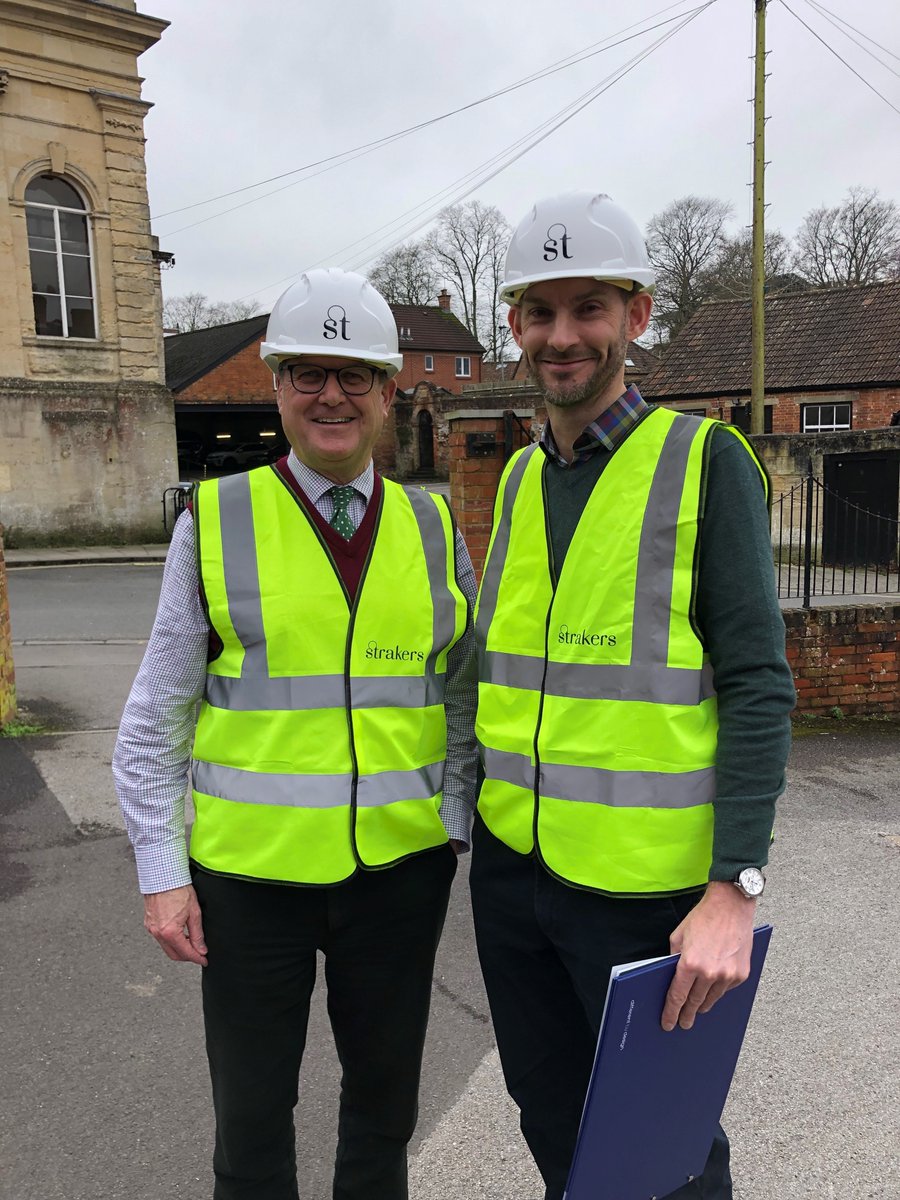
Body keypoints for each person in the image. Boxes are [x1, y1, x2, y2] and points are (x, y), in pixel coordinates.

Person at [113, 267, 478, 1200]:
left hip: (399, 876)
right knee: (250, 1124)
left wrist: (452, 817)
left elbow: (467, 689)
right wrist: (162, 875)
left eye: (355, 374)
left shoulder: (435, 526)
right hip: (249, 883)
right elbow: (157, 715)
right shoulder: (217, 518)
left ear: (391, 391)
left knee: (383, 1117)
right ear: (275, 386)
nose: (331, 395)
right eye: (307, 373)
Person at [469, 192, 796, 1200]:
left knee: (666, 1149)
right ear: (516, 326)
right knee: (552, 1118)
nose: (562, 336)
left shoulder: (705, 462)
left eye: (588, 308)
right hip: (514, 876)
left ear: (636, 316)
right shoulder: (521, 478)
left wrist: (731, 889)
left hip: (645, 897)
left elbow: (757, 682)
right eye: (540, 312)